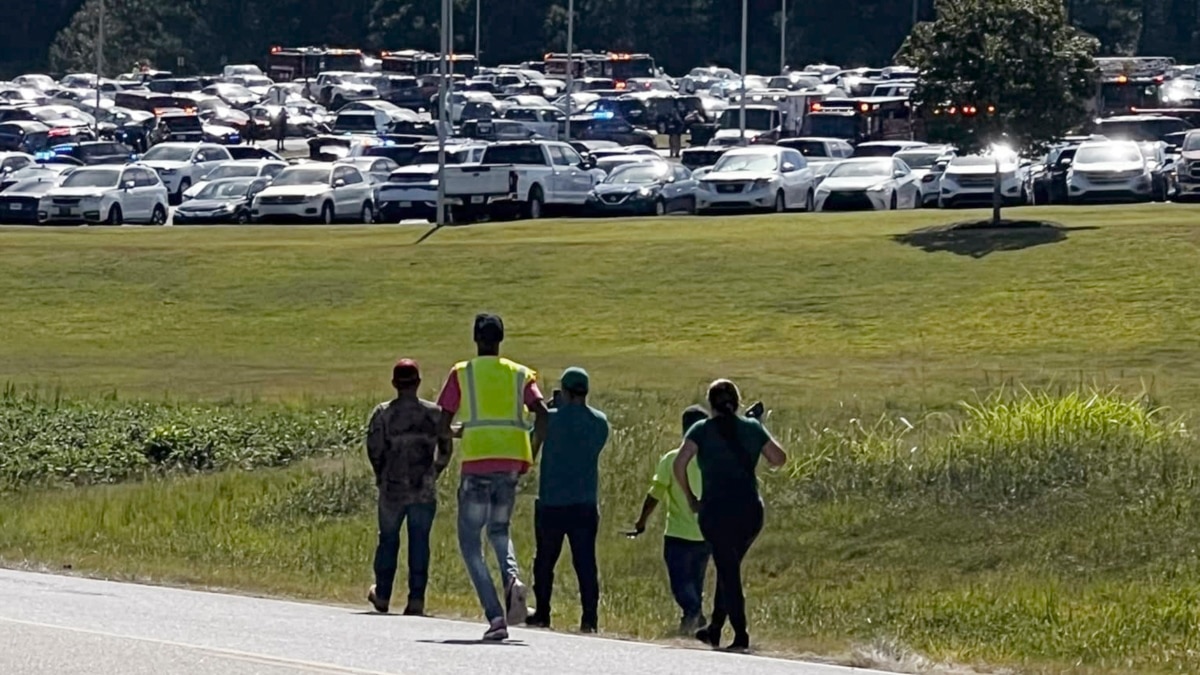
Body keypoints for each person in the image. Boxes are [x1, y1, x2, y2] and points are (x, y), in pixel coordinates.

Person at [438, 313, 549, 641]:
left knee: (471, 543)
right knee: (500, 531)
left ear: (475, 338)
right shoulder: (520, 374)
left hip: (476, 464)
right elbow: (543, 414)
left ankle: (496, 616)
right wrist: (531, 450)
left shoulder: (463, 373)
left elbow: (442, 422)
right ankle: (512, 579)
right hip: (512, 462)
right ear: (501, 339)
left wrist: (461, 433)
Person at [673, 380, 787, 652]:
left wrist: (691, 498)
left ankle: (740, 634)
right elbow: (778, 458)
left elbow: (680, 464)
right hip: (749, 511)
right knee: (729, 566)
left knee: (729, 570)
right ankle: (714, 629)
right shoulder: (752, 428)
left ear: (710, 405)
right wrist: (758, 427)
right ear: (737, 402)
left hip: (716, 511)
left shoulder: (701, 430)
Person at [365, 359, 452, 617]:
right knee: (420, 543)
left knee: (388, 540)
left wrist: (381, 474)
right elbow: (446, 449)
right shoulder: (435, 414)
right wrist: (434, 471)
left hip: (392, 489)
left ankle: (382, 594)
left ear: (394, 383)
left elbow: (374, 450)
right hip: (423, 489)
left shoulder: (382, 414)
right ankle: (416, 599)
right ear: (418, 383)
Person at [526, 368, 610, 633]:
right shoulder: (600, 422)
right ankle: (589, 619)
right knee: (585, 563)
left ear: (564, 390)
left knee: (545, 561)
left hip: (552, 501)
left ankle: (542, 613)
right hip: (584, 501)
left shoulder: (549, 420)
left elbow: (531, 449)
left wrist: (551, 413)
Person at [628, 405, 711, 634]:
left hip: (678, 534)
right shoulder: (712, 461)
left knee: (680, 582)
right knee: (696, 580)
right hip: (706, 534)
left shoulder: (672, 459)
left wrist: (642, 521)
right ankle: (694, 618)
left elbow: (654, 495)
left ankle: (693, 612)